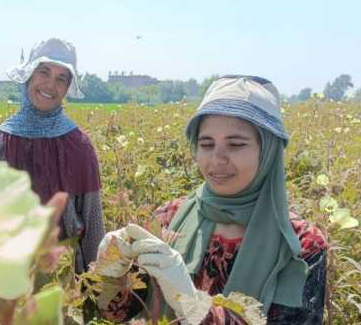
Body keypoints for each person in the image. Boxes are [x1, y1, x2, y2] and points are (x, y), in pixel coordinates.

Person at [96, 75, 327, 324]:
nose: (217, 159)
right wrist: (112, 274)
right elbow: (117, 314)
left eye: (236, 144)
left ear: (268, 151)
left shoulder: (301, 245)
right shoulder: (169, 216)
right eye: (206, 144)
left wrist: (193, 306)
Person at [0, 38, 105, 274]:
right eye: (44, 72)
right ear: (29, 75)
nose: (51, 85)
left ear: (68, 87)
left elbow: (92, 220)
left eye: (62, 78)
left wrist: (95, 283)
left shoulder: (78, 145)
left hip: (65, 275)